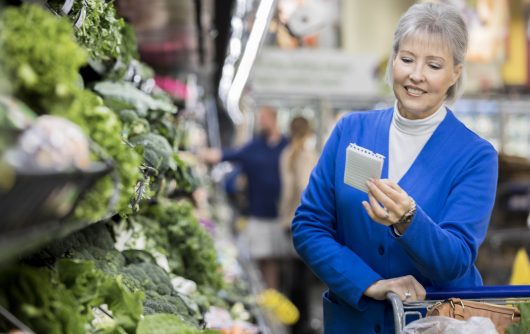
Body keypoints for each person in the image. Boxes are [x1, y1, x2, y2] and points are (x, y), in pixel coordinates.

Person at [291, 2, 499, 333]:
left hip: (436, 323)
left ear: (455, 73)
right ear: (392, 60)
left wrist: (409, 221)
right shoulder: (350, 131)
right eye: (406, 59)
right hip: (354, 322)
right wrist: (369, 283)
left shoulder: (475, 156)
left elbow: (456, 259)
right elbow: (308, 226)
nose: (416, 75)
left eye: (434, 65)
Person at [201, 106, 289, 289]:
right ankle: (264, 295)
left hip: (282, 215)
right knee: (261, 258)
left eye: (263, 117)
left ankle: (276, 298)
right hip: (257, 213)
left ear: (274, 119)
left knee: (276, 261)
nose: (260, 121)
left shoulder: (287, 146)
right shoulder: (255, 145)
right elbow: (232, 154)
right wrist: (206, 154)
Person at [279, 116, 318, 334]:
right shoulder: (307, 155)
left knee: (293, 273)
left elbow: (286, 192)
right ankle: (302, 323)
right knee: (304, 275)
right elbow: (307, 188)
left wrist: (283, 215)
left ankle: (293, 320)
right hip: (305, 221)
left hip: (289, 222)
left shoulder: (286, 154)